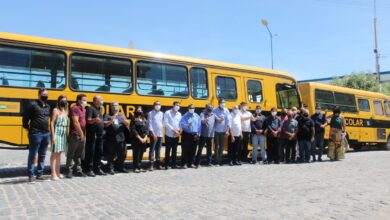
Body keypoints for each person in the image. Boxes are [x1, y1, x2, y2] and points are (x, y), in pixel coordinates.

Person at [23, 88, 51, 183]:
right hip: (36, 133)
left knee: (42, 154)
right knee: (33, 154)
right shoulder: (33, 105)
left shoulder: (47, 106)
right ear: (39, 95)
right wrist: (27, 129)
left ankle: (39, 174)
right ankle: (31, 175)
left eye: (46, 94)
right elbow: (25, 118)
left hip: (46, 133)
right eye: (43, 94)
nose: (45, 96)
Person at [104, 101, 129, 174]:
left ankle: (120, 167)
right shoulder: (107, 115)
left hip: (121, 138)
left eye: (117, 105)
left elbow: (127, 123)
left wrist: (124, 121)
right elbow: (105, 124)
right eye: (114, 106)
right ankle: (110, 168)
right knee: (111, 155)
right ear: (111, 107)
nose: (115, 107)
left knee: (122, 154)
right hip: (111, 138)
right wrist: (111, 120)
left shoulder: (121, 115)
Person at [66, 94, 87, 178]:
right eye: (84, 100)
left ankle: (78, 170)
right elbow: (75, 122)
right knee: (71, 153)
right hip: (75, 134)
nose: (85, 102)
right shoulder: (75, 108)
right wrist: (81, 133)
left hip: (82, 135)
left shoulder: (83, 110)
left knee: (79, 154)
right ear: (79, 100)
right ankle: (69, 170)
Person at [84, 96, 106, 176]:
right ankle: (89, 169)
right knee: (91, 152)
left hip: (100, 134)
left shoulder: (99, 109)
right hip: (92, 134)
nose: (102, 101)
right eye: (100, 99)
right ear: (95, 101)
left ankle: (97, 168)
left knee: (99, 152)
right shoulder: (90, 108)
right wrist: (95, 120)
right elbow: (88, 120)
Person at [50, 95, 68, 180]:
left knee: (60, 153)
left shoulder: (66, 111)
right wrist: (53, 136)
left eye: (65, 100)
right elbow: (52, 123)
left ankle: (58, 172)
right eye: (62, 100)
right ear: (59, 101)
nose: (64, 102)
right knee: (54, 154)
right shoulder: (55, 110)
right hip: (57, 133)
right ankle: (53, 173)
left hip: (63, 134)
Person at [180, 104, 201, 169]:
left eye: (193, 108)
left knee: (193, 149)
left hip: (195, 134)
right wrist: (187, 125)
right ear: (188, 108)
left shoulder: (197, 116)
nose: (192, 109)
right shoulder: (184, 116)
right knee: (185, 149)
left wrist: (198, 134)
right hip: (186, 134)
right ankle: (184, 163)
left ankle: (191, 163)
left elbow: (200, 126)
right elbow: (182, 125)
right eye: (191, 108)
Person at [163, 101, 182, 169]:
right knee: (167, 150)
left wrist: (179, 131)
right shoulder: (167, 112)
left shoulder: (179, 114)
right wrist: (173, 130)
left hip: (176, 135)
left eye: (179, 105)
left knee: (174, 150)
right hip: (168, 135)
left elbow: (180, 123)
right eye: (176, 105)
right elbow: (166, 123)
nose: (178, 106)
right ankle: (166, 165)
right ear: (173, 105)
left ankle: (173, 164)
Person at [130, 106, 149, 173]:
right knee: (136, 154)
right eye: (138, 110)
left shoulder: (144, 119)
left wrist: (145, 137)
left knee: (141, 153)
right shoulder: (133, 119)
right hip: (136, 139)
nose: (139, 111)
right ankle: (135, 168)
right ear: (136, 111)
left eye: (140, 110)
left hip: (143, 139)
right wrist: (140, 138)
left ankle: (139, 167)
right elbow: (133, 129)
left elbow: (147, 129)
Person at [213, 98, 230, 166]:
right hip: (216, 131)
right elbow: (213, 119)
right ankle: (216, 161)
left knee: (222, 147)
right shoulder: (214, 110)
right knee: (217, 146)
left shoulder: (226, 110)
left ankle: (220, 160)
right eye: (222, 103)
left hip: (223, 131)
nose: (223, 104)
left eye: (224, 102)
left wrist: (227, 130)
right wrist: (218, 119)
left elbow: (229, 120)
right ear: (219, 103)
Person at [148, 101, 164, 171]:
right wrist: (153, 134)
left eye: (159, 104)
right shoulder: (150, 113)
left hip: (160, 134)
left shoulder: (161, 113)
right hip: (153, 134)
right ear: (154, 105)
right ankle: (151, 165)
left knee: (158, 150)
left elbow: (161, 123)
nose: (158, 105)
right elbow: (150, 124)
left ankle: (158, 164)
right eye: (157, 104)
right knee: (152, 150)